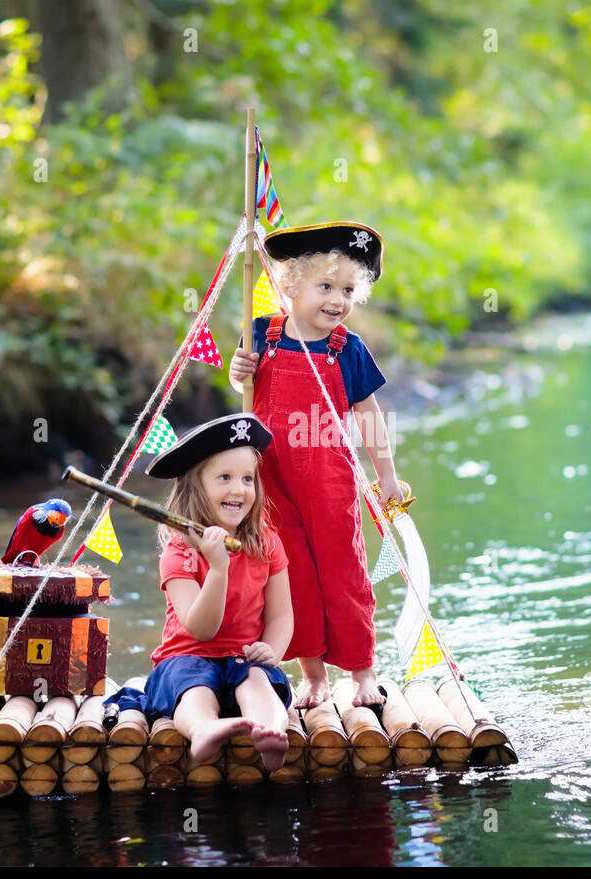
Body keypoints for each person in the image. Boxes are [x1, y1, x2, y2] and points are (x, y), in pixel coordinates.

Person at [229, 221, 401, 709]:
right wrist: (237, 367)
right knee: (292, 572)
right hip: (270, 475)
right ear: (290, 286)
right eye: (325, 286)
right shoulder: (262, 331)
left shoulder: (347, 348)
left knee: (343, 570)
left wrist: (386, 475)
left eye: (348, 290)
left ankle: (363, 672)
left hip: (328, 476)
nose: (337, 299)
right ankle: (314, 676)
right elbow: (241, 380)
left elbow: (368, 416)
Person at [101, 413, 293, 769]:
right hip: (185, 660)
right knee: (193, 685)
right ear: (195, 488)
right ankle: (204, 728)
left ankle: (271, 732)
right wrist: (218, 568)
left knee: (257, 678)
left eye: (248, 478)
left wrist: (272, 650)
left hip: (242, 659)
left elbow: (281, 615)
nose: (239, 489)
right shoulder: (180, 551)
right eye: (224, 477)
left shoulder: (266, 543)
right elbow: (202, 629)